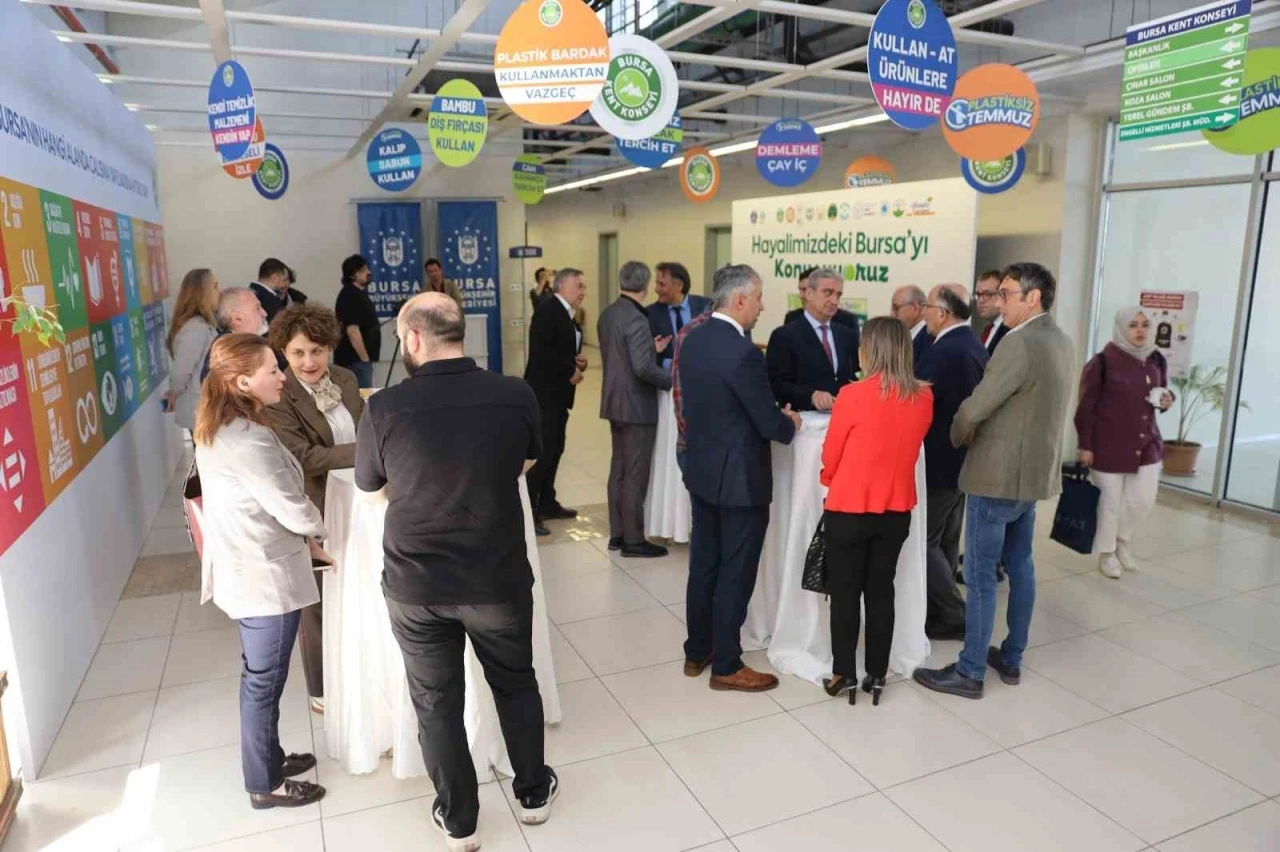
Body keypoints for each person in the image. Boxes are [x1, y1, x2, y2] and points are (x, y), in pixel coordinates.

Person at [355, 292, 557, 848]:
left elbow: (369, 486)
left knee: (435, 701)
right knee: (515, 683)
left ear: (414, 338)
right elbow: (525, 461)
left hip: (417, 583)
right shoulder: (514, 393)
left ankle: (460, 819)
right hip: (496, 578)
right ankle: (533, 794)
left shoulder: (384, 407)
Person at [913, 262, 1075, 700]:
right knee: (1021, 566)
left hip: (997, 476)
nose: (998, 303)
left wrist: (956, 433)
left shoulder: (1018, 342)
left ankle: (969, 670)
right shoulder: (1061, 340)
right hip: (1033, 476)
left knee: (981, 575)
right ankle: (1012, 657)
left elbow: (976, 406)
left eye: (1006, 294)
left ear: (1033, 297)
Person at [194, 333, 329, 810]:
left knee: (261, 675)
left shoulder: (224, 427)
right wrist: (322, 530)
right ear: (242, 381)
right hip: (262, 578)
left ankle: (270, 758)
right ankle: (264, 783)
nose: (282, 377)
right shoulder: (247, 439)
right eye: (273, 370)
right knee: (263, 682)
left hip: (250, 569)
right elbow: (290, 506)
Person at [679, 264, 801, 692]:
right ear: (740, 300)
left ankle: (698, 650)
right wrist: (790, 423)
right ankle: (727, 664)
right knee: (736, 570)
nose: (762, 306)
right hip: (740, 481)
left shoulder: (692, 340)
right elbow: (768, 423)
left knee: (704, 564)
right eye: (759, 297)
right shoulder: (744, 352)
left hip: (702, 472)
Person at [820, 318, 932, 706]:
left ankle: (844, 674)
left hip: (849, 507)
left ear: (870, 350)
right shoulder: (923, 397)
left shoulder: (852, 395)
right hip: (896, 509)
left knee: (845, 593)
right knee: (881, 591)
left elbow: (831, 454)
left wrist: (828, 477)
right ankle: (878, 674)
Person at [264, 303, 365, 714]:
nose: (309, 362)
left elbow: (365, 425)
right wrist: (368, 452)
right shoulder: (278, 394)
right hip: (316, 506)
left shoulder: (345, 378)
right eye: (298, 353)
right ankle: (321, 687)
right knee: (318, 601)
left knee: (357, 586)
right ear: (283, 352)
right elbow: (303, 457)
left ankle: (356, 669)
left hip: (359, 499)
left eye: (317, 351)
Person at [1074, 307, 1174, 579]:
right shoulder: (1102, 362)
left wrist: (1167, 400)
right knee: (1110, 503)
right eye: (1133, 325)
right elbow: (1086, 407)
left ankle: (1122, 541)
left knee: (1142, 500)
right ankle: (1107, 553)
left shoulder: (1156, 359)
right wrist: (1085, 444)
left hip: (1147, 443)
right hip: (1107, 445)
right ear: (1120, 328)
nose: (1140, 330)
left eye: (1145, 324)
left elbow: (1163, 391)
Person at [915, 284, 988, 640]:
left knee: (924, 540)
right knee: (945, 539)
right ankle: (940, 612)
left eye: (927, 306)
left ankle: (956, 615)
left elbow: (920, 403)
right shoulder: (970, 344)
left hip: (941, 461)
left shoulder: (945, 351)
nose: (924, 312)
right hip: (960, 461)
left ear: (943, 313)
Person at [598, 261, 673, 557]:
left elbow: (622, 355)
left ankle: (617, 534)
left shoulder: (609, 313)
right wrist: (672, 380)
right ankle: (633, 540)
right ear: (645, 285)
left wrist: (649, 348)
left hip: (614, 401)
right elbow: (642, 368)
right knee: (635, 473)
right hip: (636, 406)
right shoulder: (638, 319)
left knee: (618, 468)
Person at [523, 268, 587, 536]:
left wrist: (576, 361)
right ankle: (530, 512)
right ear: (561, 286)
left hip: (559, 394)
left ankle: (548, 502)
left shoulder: (568, 313)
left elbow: (559, 348)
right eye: (578, 286)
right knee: (543, 453)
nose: (583, 291)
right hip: (544, 395)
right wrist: (569, 369)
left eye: (584, 286)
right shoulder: (548, 311)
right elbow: (540, 352)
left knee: (556, 448)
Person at [766, 267, 860, 412]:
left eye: (838, 294)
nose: (834, 301)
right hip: (804, 419)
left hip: (842, 416)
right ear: (809, 293)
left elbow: (852, 376)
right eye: (828, 293)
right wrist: (811, 396)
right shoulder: (784, 336)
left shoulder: (846, 335)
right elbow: (777, 385)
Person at [165, 268, 220, 432]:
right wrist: (174, 393)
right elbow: (181, 371)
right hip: (200, 408)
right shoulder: (195, 328)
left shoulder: (201, 324)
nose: (219, 291)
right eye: (214, 286)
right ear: (202, 293)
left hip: (204, 407)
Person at [202, 287, 272, 380]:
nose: (265, 313)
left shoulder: (246, 343)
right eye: (257, 308)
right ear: (237, 319)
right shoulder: (227, 351)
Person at [648, 261, 710, 367]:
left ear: (679, 286)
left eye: (662, 284)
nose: (656, 289)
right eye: (656, 283)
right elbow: (646, 356)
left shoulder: (705, 306)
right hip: (667, 376)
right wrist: (670, 364)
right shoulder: (650, 314)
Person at [334, 254, 381, 389]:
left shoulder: (360, 294)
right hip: (355, 362)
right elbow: (352, 330)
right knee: (362, 397)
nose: (368, 272)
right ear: (353, 274)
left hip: (360, 361)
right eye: (364, 270)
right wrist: (364, 359)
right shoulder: (350, 295)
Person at [784, 267, 860, 334]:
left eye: (804, 290)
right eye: (800, 290)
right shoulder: (791, 318)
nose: (801, 295)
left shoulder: (847, 321)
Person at [250, 257, 308, 323]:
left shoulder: (248, 296)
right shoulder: (270, 301)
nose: (287, 283)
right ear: (274, 278)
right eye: (284, 279)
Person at [891, 285, 933, 365]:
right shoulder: (899, 338)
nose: (892, 314)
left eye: (896, 308)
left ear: (915, 308)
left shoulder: (929, 341)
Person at [975, 270, 1008, 356]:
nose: (980, 300)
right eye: (978, 294)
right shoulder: (987, 329)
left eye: (987, 294)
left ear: (1003, 295)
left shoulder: (1010, 331)